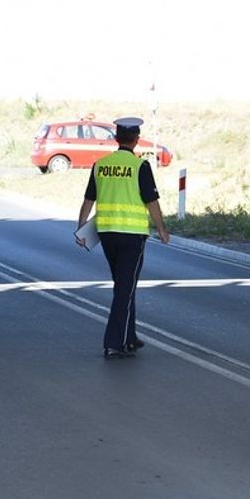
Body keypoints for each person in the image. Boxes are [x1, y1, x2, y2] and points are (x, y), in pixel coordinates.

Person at [76, 117, 171, 359]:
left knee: (124, 286)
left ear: (117, 139)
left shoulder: (101, 165)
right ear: (136, 140)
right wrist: (161, 228)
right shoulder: (140, 167)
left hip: (107, 234)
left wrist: (81, 230)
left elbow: (89, 200)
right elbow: (152, 201)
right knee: (125, 289)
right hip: (132, 236)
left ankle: (129, 338)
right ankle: (114, 342)